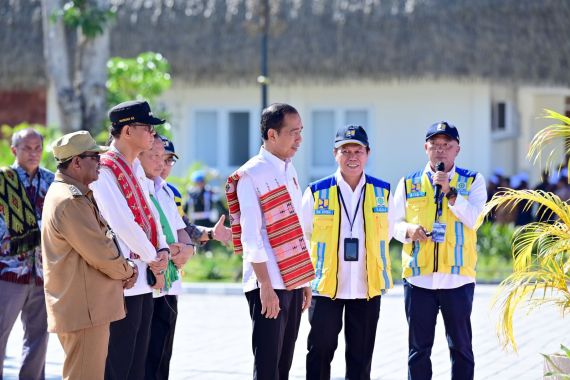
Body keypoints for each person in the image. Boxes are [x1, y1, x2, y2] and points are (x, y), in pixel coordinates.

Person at [225, 103, 314, 379]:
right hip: (268, 284)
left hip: (292, 282)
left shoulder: (290, 169)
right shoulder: (252, 174)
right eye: (293, 132)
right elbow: (251, 237)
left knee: (284, 365)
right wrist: (265, 286)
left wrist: (304, 282)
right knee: (267, 366)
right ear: (272, 135)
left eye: (301, 132)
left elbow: (297, 229)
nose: (299, 139)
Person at [41, 131, 138, 379]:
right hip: (84, 309)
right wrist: (128, 270)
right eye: (94, 157)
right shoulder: (69, 200)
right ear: (76, 162)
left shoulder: (73, 194)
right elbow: (101, 252)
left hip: (84, 307)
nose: (100, 162)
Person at [393, 121, 486, 380]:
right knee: (418, 350)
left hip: (457, 278)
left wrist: (450, 193)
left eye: (447, 145)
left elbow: (476, 219)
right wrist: (409, 231)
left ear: (457, 149)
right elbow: (393, 224)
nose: (440, 151)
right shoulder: (408, 183)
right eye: (435, 145)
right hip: (418, 278)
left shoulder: (473, 181)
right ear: (426, 148)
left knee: (461, 348)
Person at [301, 125, 394, 379]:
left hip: (366, 288)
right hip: (325, 287)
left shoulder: (383, 192)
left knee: (361, 358)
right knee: (319, 353)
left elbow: (388, 232)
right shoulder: (316, 192)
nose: (352, 156)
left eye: (358, 150)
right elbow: (304, 234)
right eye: (345, 150)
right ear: (335, 153)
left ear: (368, 153)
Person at [90, 100, 170, 380]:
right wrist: (154, 257)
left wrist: (161, 249)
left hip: (144, 276)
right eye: (146, 127)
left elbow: (151, 213)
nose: (152, 133)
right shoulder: (103, 168)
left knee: (138, 363)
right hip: (122, 279)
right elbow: (121, 222)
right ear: (126, 131)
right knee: (118, 363)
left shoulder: (135, 166)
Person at [0, 128, 54, 379]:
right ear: (14, 150)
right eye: (26, 148)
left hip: (44, 273)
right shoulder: (2, 180)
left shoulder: (53, 181)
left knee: (38, 340)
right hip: (8, 273)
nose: (33, 153)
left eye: (37, 148)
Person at [141, 135, 194, 380]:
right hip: (145, 284)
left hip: (169, 285)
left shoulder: (164, 191)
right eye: (156, 157)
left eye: (166, 159)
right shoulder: (135, 188)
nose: (162, 164)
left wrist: (187, 248)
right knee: (142, 359)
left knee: (162, 356)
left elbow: (180, 228)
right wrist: (169, 249)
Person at [160, 136, 231, 248]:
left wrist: (211, 233)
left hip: (206, 221)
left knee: (206, 248)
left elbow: (184, 226)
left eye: (169, 160)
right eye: (157, 157)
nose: (162, 165)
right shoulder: (191, 193)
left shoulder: (173, 193)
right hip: (196, 219)